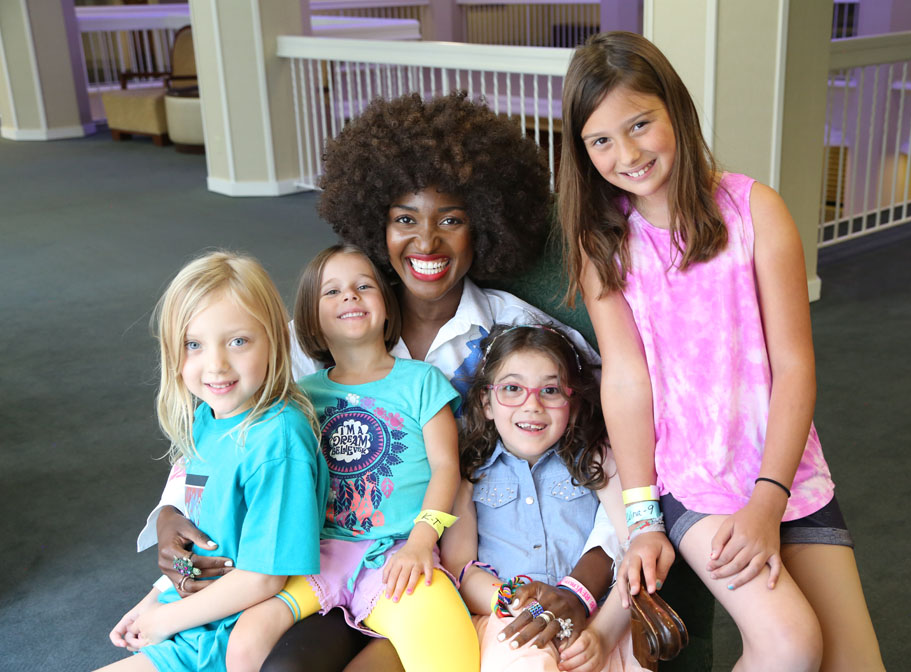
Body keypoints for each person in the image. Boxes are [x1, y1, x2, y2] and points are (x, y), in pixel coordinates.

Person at [147, 93, 609, 671]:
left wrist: (606, 560)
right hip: (325, 560)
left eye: (452, 220)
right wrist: (170, 510)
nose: (427, 242)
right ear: (376, 228)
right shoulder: (320, 334)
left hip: (465, 567)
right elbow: (228, 416)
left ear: (485, 226)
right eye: (404, 220)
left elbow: (606, 429)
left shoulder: (519, 330)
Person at [557, 31, 885, 671]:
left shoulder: (756, 209)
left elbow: (794, 367)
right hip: (691, 480)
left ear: (675, 110)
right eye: (601, 140)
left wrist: (768, 498)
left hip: (784, 472)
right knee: (789, 644)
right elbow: (626, 380)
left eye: (640, 124)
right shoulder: (605, 245)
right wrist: (643, 517)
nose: (626, 153)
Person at [225, 244, 479, 672]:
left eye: (364, 286)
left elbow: (445, 468)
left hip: (398, 553)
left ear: (385, 305)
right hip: (316, 555)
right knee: (247, 643)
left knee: (451, 654)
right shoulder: (300, 398)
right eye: (332, 291)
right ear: (310, 318)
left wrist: (421, 541)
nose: (350, 296)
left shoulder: (421, 382)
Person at [101, 251, 327, 672]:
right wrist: (150, 603)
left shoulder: (278, 440)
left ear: (275, 339)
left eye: (238, 341)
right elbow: (210, 535)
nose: (216, 365)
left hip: (225, 630)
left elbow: (264, 577)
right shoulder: (209, 418)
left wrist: (164, 621)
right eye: (194, 345)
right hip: (192, 612)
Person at [440, 324, 646, 672]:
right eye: (512, 388)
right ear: (485, 403)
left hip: (595, 620)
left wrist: (603, 635)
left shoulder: (596, 461)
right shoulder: (469, 475)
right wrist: (520, 604)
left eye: (550, 390)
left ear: (574, 403)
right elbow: (461, 569)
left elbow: (636, 546)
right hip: (509, 622)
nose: (531, 405)